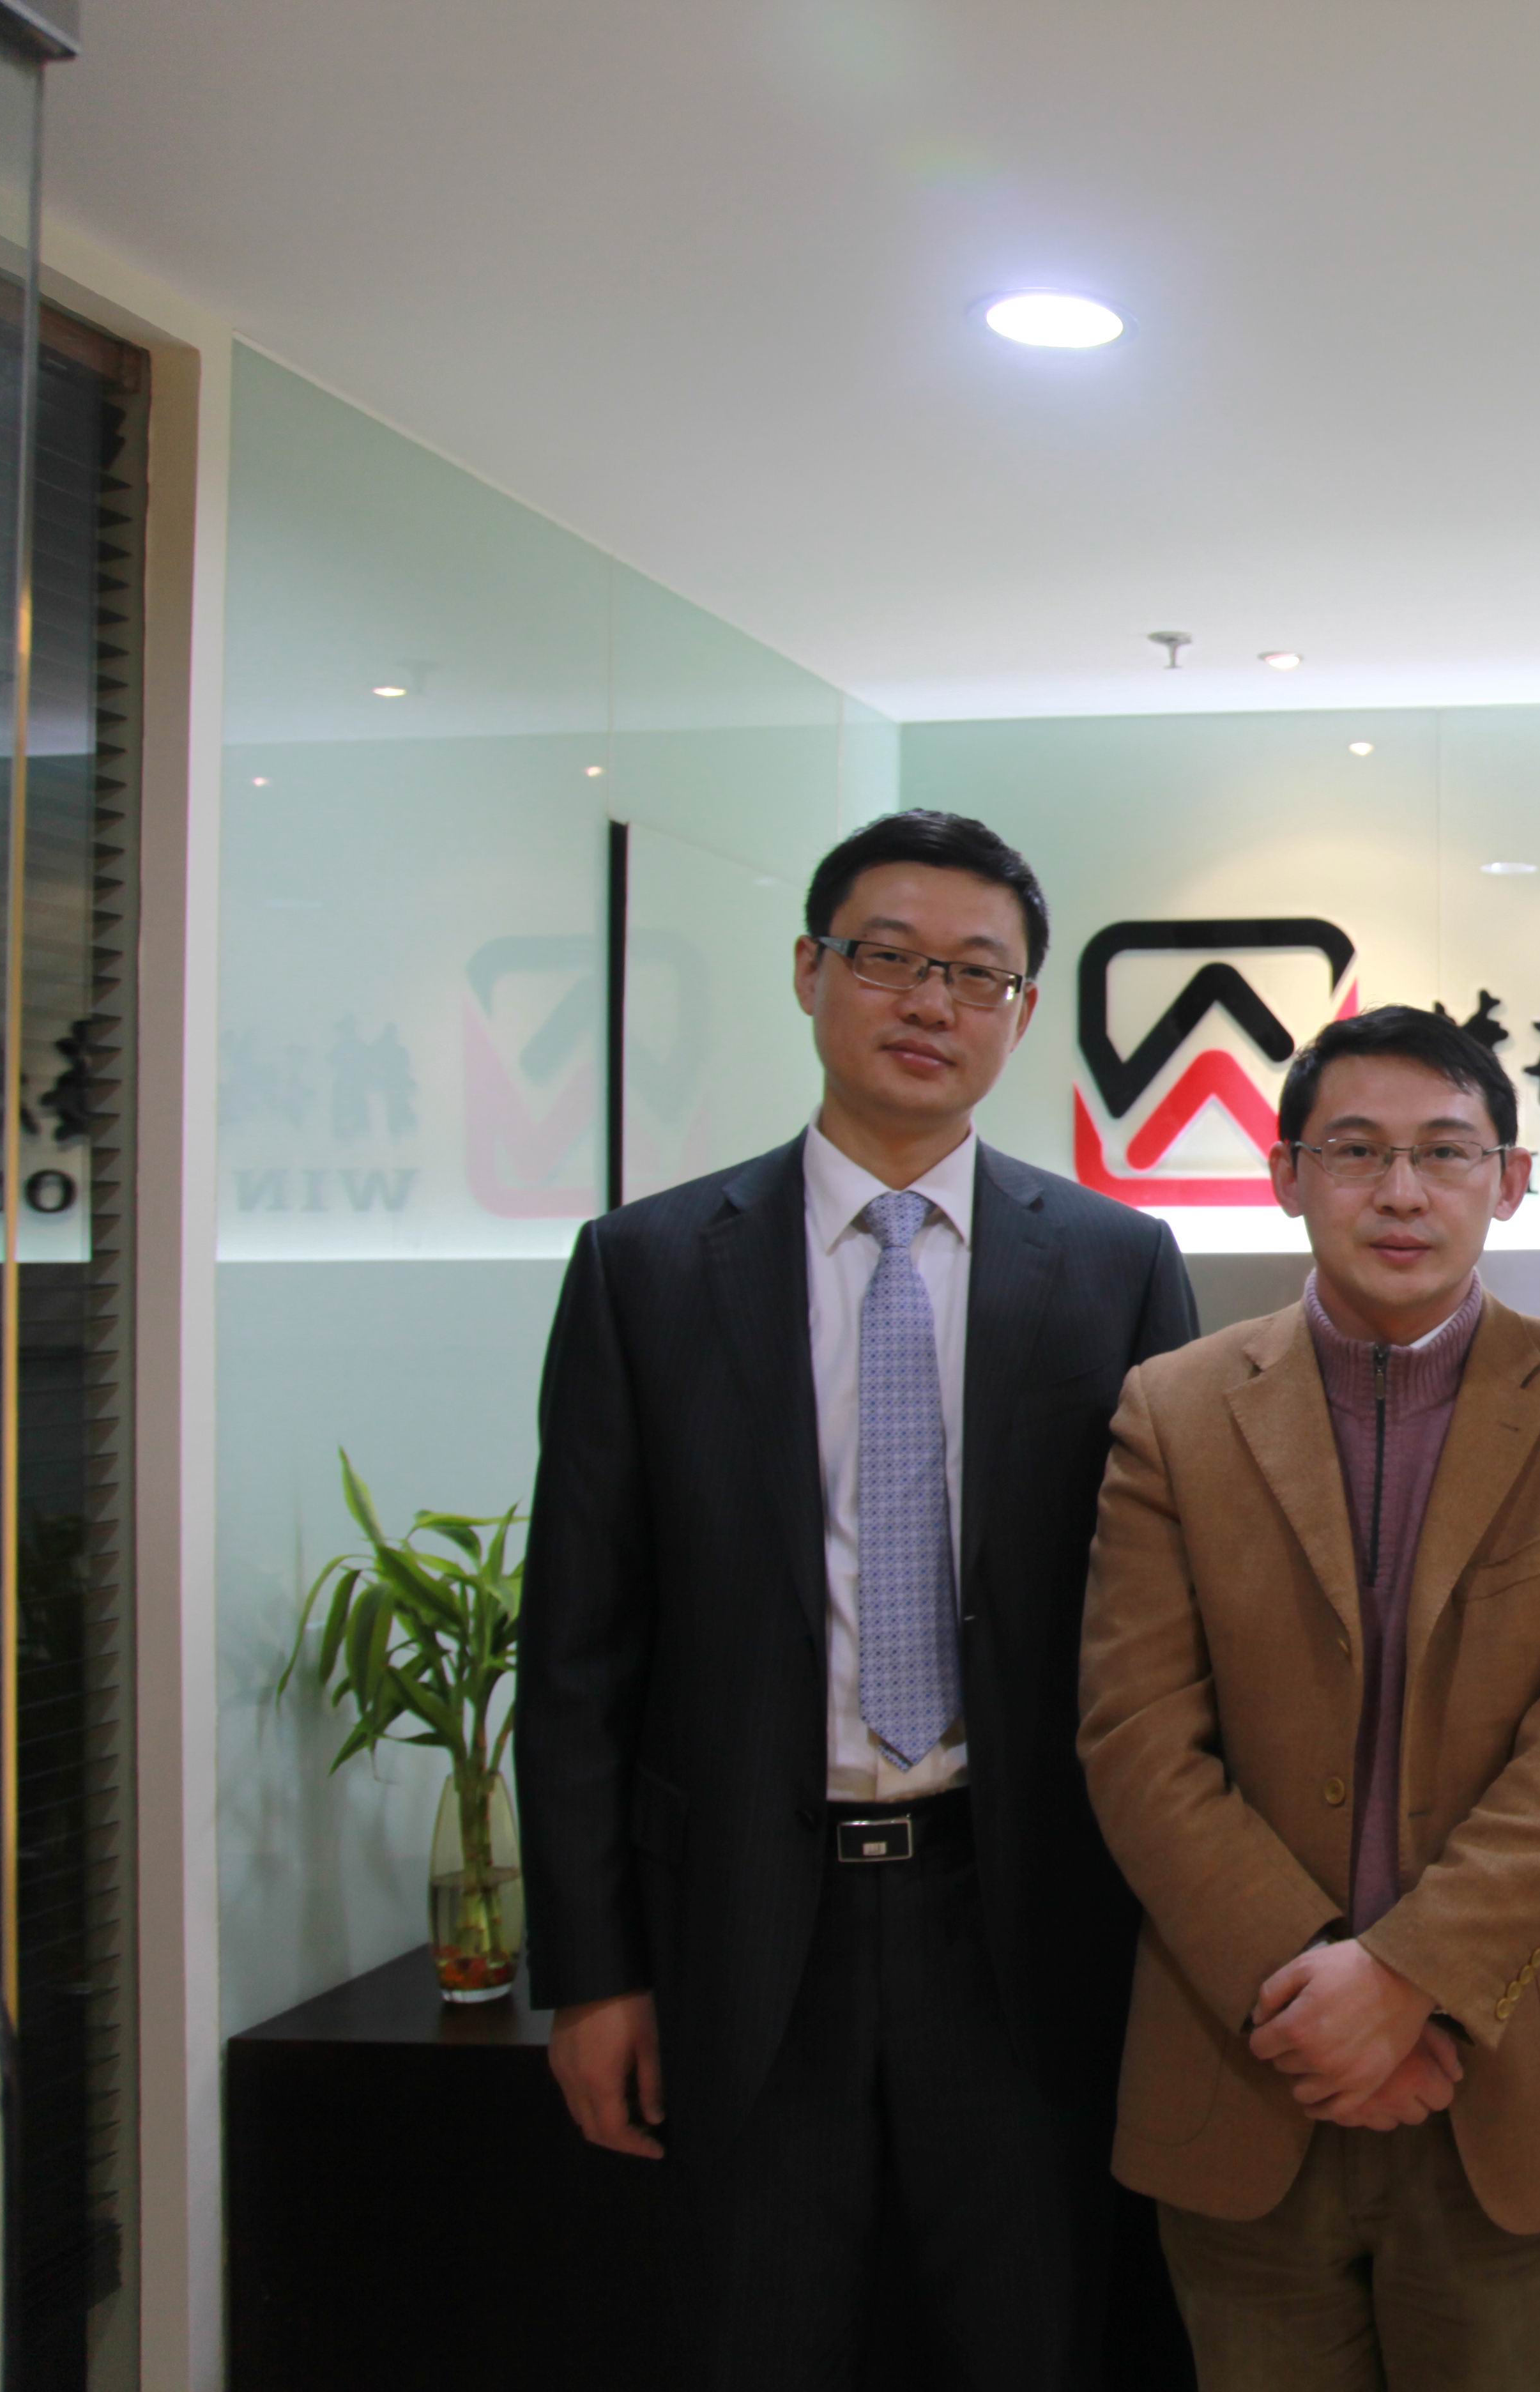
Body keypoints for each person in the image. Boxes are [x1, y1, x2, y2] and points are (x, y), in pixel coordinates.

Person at [520, 809, 1201, 2389]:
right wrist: (596, 1971)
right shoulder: (647, 1268)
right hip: (746, 1924)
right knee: (759, 2337)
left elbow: (1167, 1631)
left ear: (1022, 1013)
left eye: (977, 974)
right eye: (889, 959)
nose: (930, 1003)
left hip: (1021, 1917)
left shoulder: (1115, 1264)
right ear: (809, 972)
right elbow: (577, 1651)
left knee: (1034, 2336)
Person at [1078, 1004, 1540, 2392]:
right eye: (1355, 1151)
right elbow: (1136, 1737)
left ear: (1509, 1181)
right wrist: (1322, 1998)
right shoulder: (1172, 1410)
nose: (1402, 1192)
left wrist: (1408, 1982)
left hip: (1507, 2086)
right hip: (1250, 2066)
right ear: (1285, 1175)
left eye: (1446, 1152)